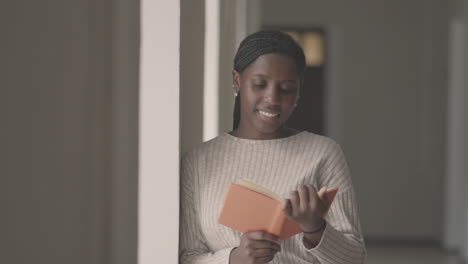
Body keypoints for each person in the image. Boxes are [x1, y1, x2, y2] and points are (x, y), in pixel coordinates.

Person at [179, 30, 366, 264]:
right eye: (259, 85)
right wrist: (233, 259)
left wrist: (315, 228)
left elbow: (355, 259)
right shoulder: (198, 161)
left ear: (298, 90)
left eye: (286, 89)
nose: (273, 99)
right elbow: (188, 257)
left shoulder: (323, 153)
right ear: (237, 81)